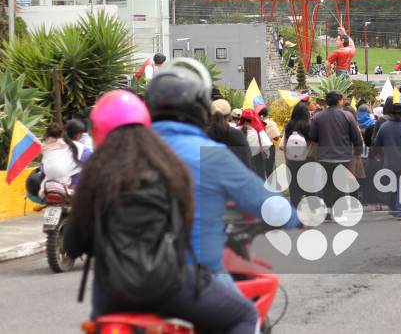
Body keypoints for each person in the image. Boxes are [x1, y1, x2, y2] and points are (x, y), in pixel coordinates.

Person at [64, 91, 260, 334]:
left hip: (110, 294)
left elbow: (72, 245)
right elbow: (187, 226)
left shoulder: (93, 172)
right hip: (169, 285)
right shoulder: (166, 163)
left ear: (97, 130)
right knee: (245, 315)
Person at [146, 62, 297, 288]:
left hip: (128, 278)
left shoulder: (126, 149)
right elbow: (251, 185)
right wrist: (294, 217)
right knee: (244, 314)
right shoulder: (209, 148)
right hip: (197, 259)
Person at [309, 91, 363, 219]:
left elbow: (312, 135)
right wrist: (357, 151)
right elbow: (355, 135)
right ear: (339, 101)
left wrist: (321, 140)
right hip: (343, 155)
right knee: (339, 183)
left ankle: (328, 209)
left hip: (325, 155)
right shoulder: (347, 116)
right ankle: (337, 210)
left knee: (327, 183)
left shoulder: (318, 117)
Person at [373, 99, 401, 219]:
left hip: (389, 161)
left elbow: (377, 142)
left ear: (391, 113)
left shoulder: (384, 126)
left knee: (392, 187)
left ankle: (393, 209)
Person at [280, 102, 315, 207]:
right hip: (308, 159)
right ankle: (312, 209)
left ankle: (295, 210)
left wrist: (287, 161)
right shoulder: (310, 125)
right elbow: (314, 144)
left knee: (294, 187)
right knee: (310, 186)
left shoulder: (289, 126)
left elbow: (286, 146)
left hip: (292, 161)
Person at [206, 99, 252, 171]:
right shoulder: (238, 136)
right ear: (230, 115)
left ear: (211, 115)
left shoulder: (203, 135)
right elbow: (248, 166)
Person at [40, 122, 83, 189]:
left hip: (47, 172)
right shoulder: (63, 143)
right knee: (76, 169)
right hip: (61, 173)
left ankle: (42, 192)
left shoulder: (43, 145)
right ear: (61, 134)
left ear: (47, 133)